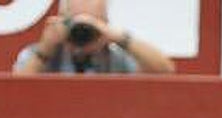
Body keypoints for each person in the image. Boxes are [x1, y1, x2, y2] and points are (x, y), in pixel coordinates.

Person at [13, 0, 175, 75]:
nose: (82, 32)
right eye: (76, 22)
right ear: (62, 20)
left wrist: (119, 37)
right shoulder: (41, 55)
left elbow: (164, 70)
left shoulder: (116, 59)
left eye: (91, 24)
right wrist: (44, 50)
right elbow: (16, 92)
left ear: (105, 24)